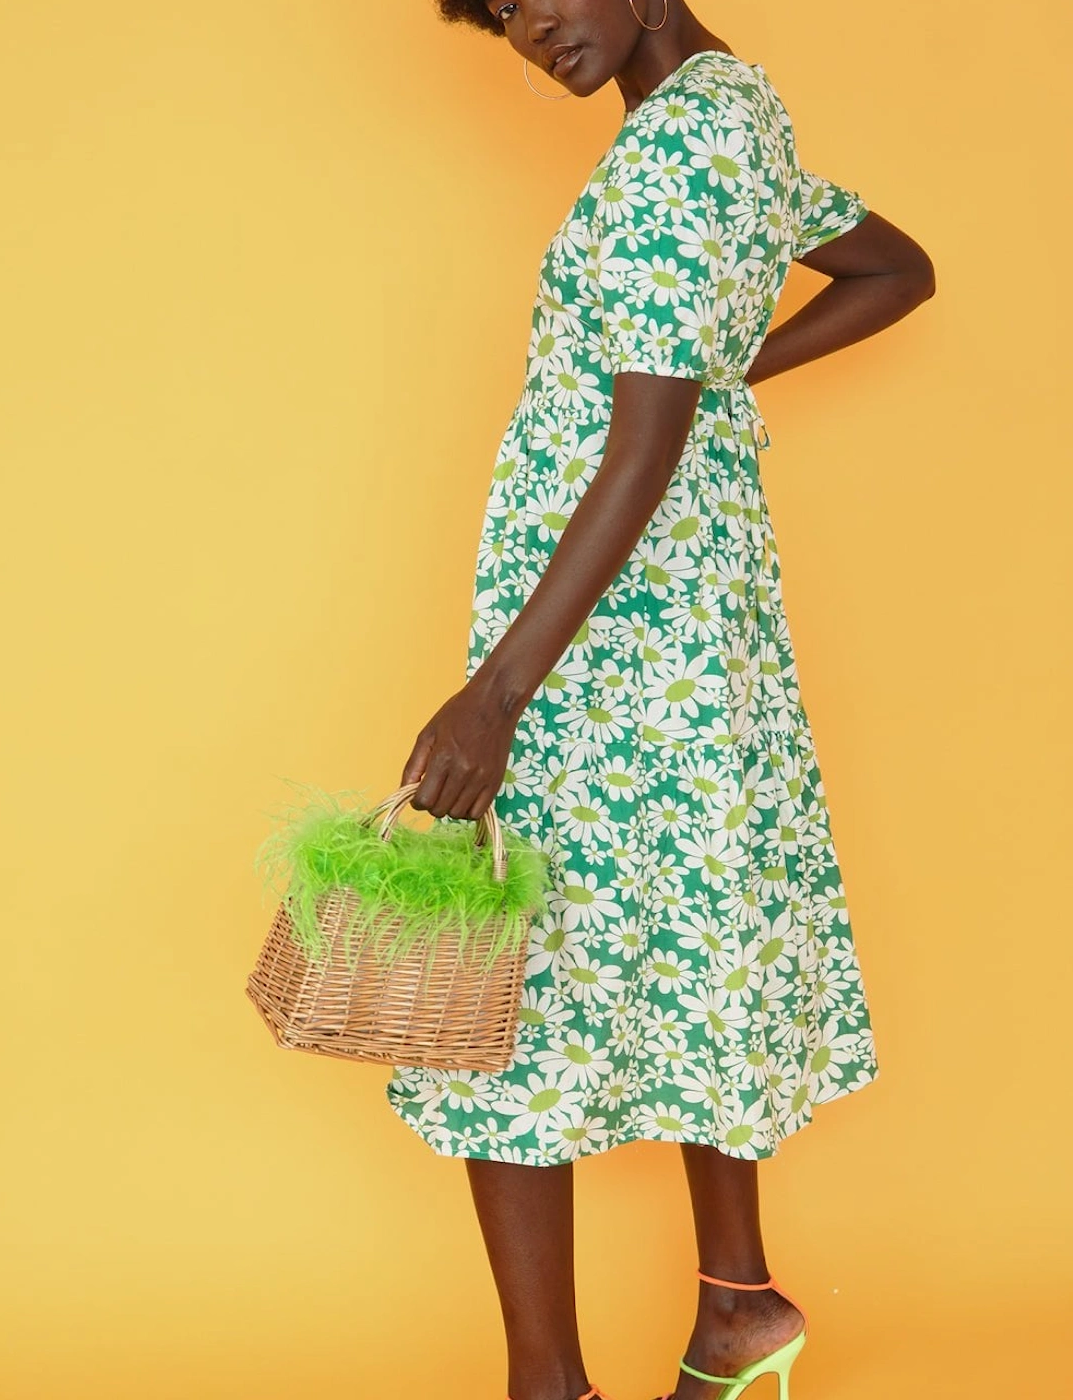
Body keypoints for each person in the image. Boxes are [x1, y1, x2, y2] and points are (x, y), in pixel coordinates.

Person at [387, 4, 935, 1399]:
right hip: (698, 628)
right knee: (694, 936)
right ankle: (737, 1306)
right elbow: (892, 269)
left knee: (503, 994)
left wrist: (497, 694)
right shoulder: (738, 115)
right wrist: (729, 379)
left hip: (601, 642)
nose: (530, 31)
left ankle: (544, 1387)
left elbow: (640, 433)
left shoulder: (671, 154)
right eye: (501, 17)